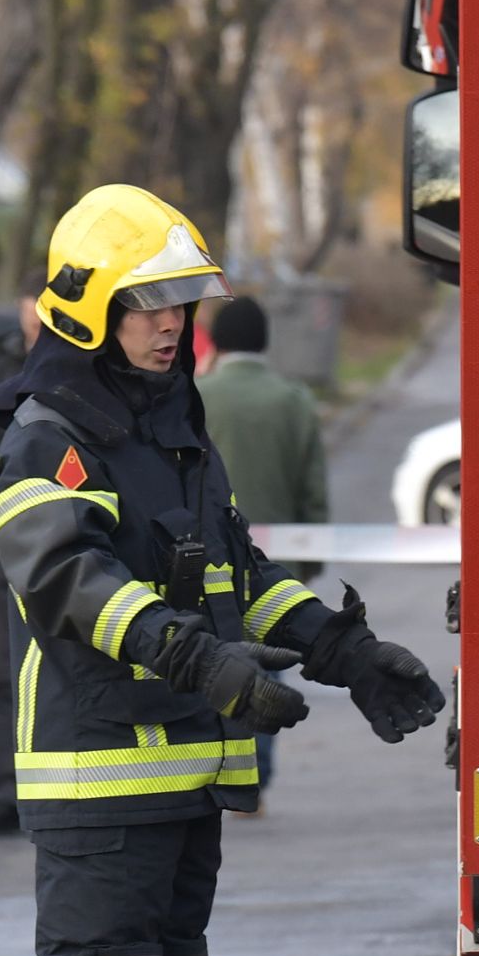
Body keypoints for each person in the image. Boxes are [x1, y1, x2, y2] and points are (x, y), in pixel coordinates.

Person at [0, 186, 448, 956]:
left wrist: (345, 649)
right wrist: (203, 664)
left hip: (177, 771)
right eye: (149, 302)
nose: (171, 322)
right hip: (98, 769)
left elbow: (234, 575)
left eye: (183, 301)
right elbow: (68, 584)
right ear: (91, 307)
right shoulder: (48, 435)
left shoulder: (172, 426)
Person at [193, 295, 328, 811]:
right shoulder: (294, 401)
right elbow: (313, 490)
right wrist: (310, 560)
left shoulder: (196, 397)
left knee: (211, 664)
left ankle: (215, 770)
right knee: (268, 671)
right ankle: (255, 777)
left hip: (205, 563)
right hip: (278, 568)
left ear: (219, 343)